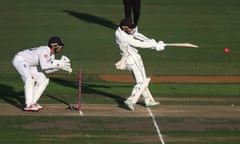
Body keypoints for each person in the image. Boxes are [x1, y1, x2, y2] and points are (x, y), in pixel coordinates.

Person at [115, 18, 165, 111]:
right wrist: (154, 46)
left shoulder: (120, 31)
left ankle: (148, 100)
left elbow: (137, 35)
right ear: (124, 27)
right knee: (142, 82)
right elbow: (139, 44)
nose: (131, 29)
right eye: (129, 28)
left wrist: (152, 41)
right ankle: (130, 100)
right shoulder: (124, 37)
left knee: (141, 80)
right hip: (133, 60)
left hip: (129, 60)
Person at [12, 36, 72, 112]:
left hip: (31, 64)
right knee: (29, 80)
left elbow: (47, 71)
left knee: (43, 80)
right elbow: (44, 66)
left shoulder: (52, 55)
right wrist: (58, 64)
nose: (61, 47)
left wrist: (60, 68)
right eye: (59, 45)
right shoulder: (44, 50)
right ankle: (29, 105)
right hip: (20, 60)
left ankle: (33, 102)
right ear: (54, 45)